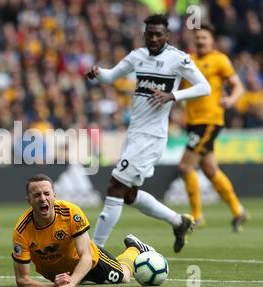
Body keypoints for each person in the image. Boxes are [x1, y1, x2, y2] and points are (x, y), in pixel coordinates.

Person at [85, 14, 211, 253]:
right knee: (129, 194)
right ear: (144, 34)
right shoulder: (137, 56)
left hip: (152, 137)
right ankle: (178, 221)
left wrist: (173, 95)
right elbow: (111, 76)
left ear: (167, 35)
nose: (153, 38)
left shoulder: (178, 59)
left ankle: (94, 252)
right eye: (149, 34)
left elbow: (205, 87)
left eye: (158, 34)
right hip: (135, 134)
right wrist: (97, 72)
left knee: (115, 186)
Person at [12, 173, 155, 287]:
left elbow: (86, 256)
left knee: (124, 276)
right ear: (29, 200)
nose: (43, 199)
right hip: (58, 273)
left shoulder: (71, 212)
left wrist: (71, 283)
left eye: (46, 193)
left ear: (54, 196)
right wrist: (52, 286)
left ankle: (135, 248)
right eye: (37, 195)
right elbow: (22, 279)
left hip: (90, 263)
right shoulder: (21, 231)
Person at [178, 24, 248, 231]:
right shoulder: (187, 60)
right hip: (193, 121)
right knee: (209, 169)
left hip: (209, 120)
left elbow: (238, 85)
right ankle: (238, 210)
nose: (201, 41)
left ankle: (197, 216)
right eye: (197, 37)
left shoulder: (219, 59)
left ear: (212, 41)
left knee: (185, 167)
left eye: (205, 38)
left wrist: (231, 100)